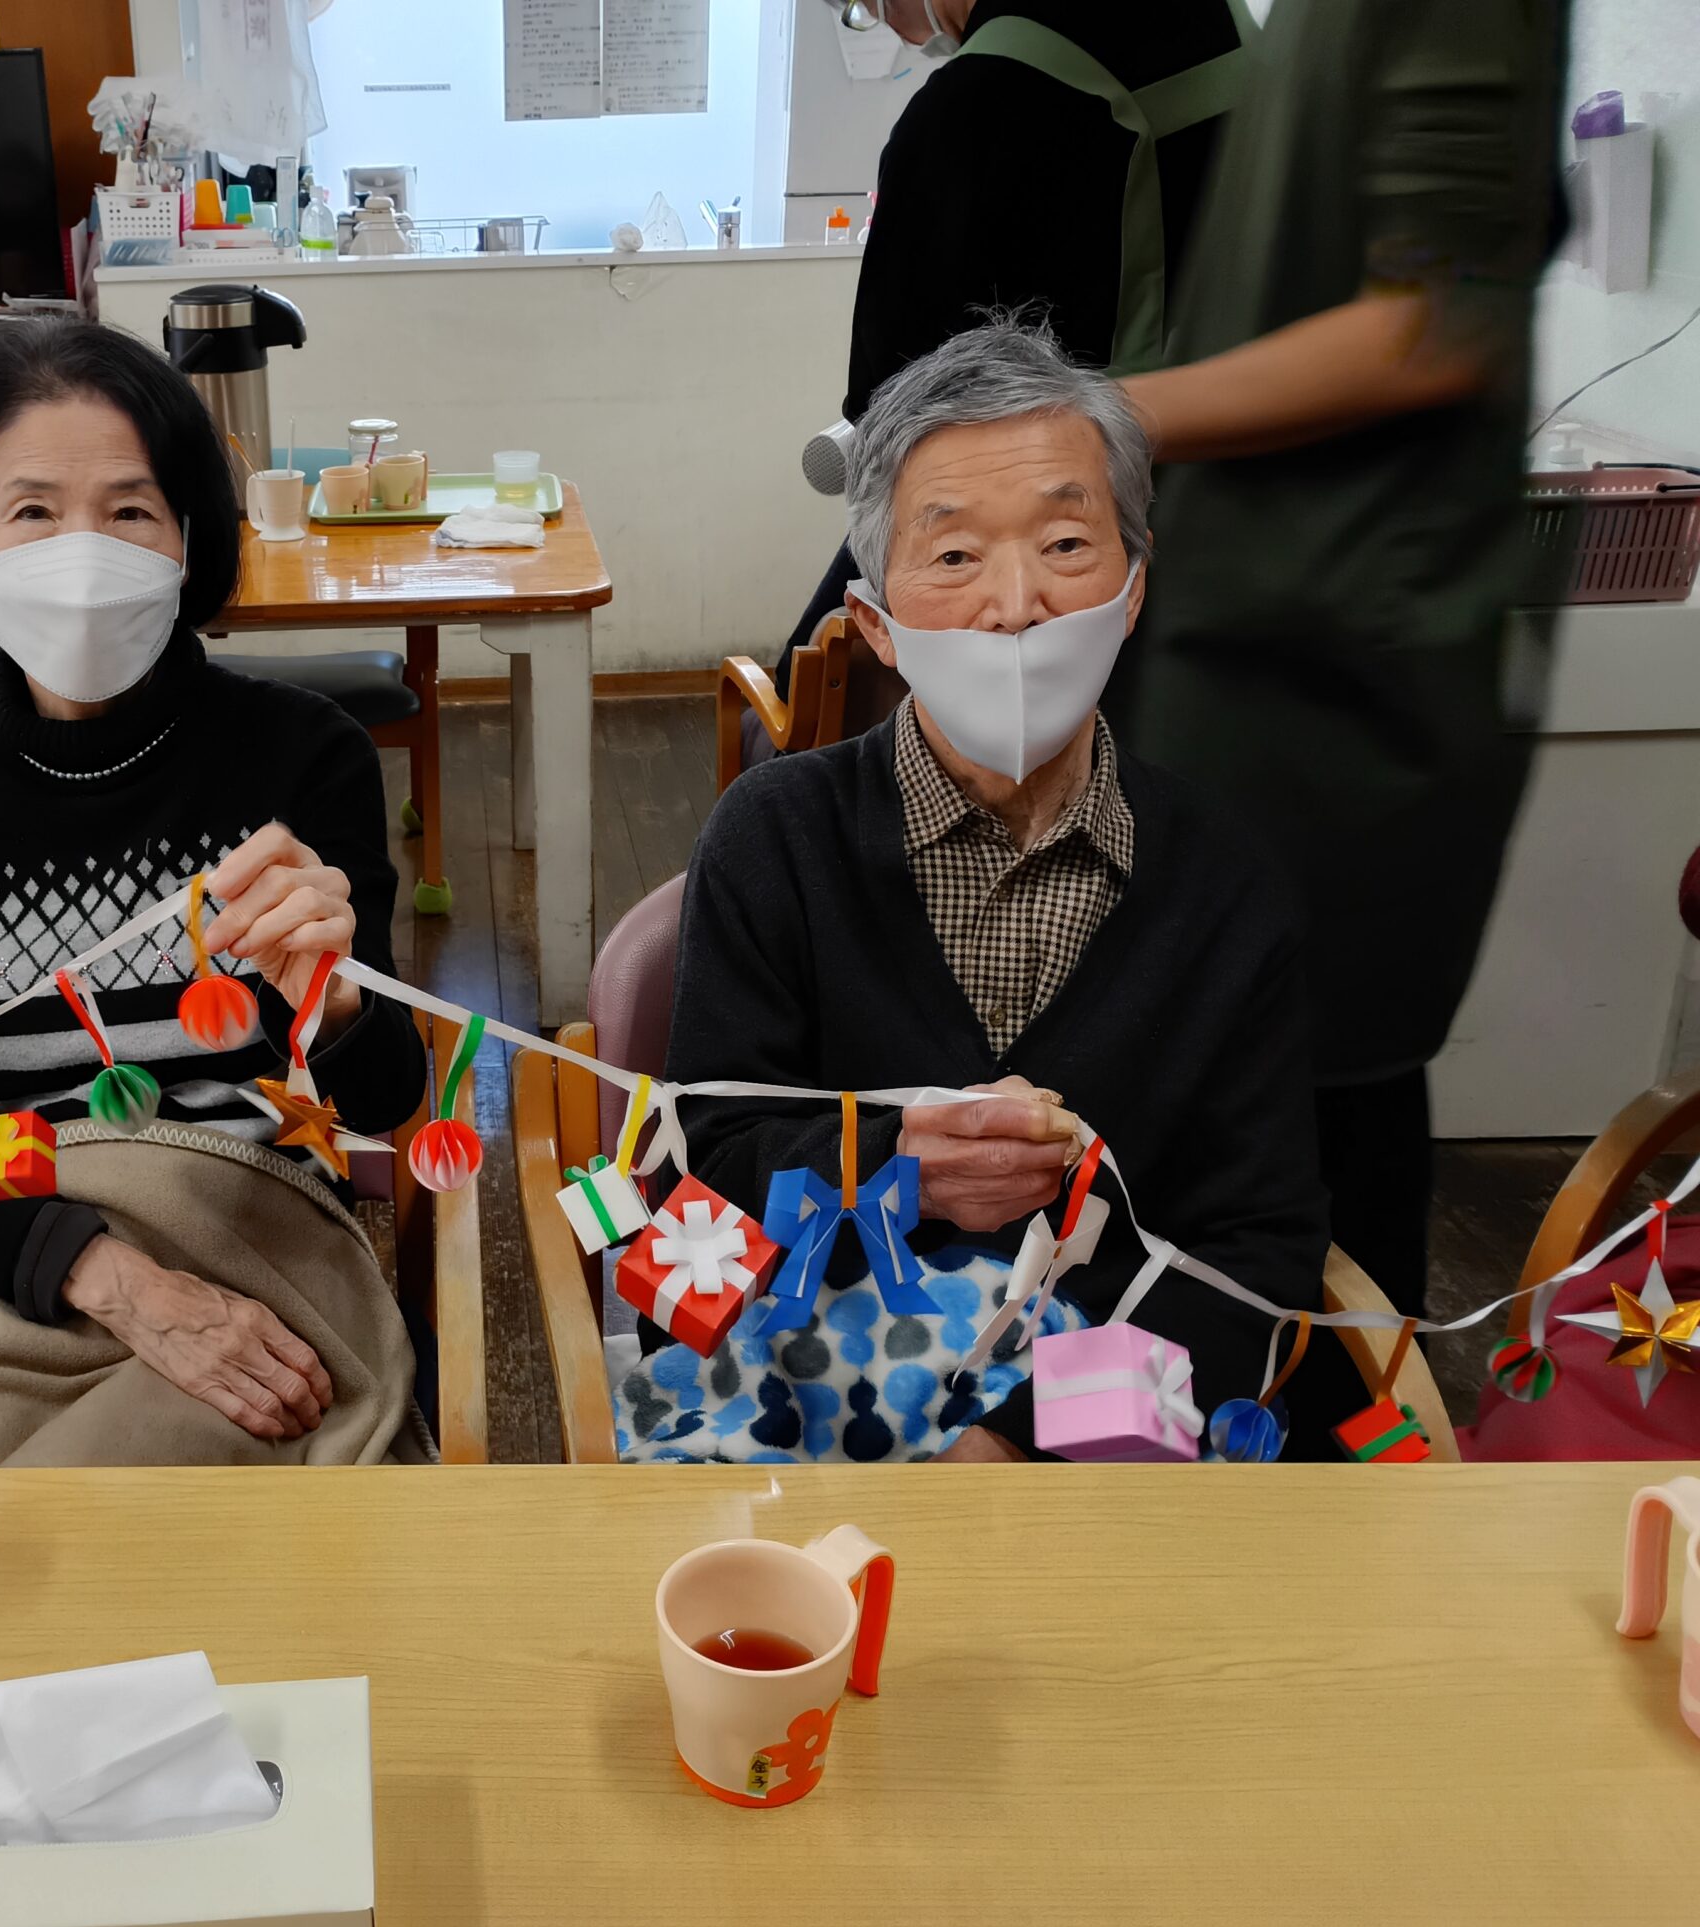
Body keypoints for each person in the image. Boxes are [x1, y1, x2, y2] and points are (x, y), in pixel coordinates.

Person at [647, 319, 1333, 1463]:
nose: (1015, 604)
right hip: (806, 1408)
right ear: (876, 623)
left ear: (1133, 590)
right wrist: (893, 1170)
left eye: (1066, 542)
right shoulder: (777, 836)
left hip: (1117, 1434)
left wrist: (1022, 1441)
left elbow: (1255, 1247)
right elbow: (700, 1173)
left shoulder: (1225, 878)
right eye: (955, 555)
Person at [0, 318, 424, 1444]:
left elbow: (384, 1099)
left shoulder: (305, 757)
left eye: (130, 511)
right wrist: (106, 1277)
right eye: (33, 512)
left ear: (187, 540)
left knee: (138, 1489)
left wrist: (337, 1002)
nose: (82, 550)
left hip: (251, 1240)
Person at [1117, 0, 1570, 1315]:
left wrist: (1095, 412)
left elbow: (1434, 322)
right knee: (1221, 1130)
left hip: (1329, 695)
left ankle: (1349, 1440)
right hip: (1253, 658)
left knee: (1305, 1171)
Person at [777, 0, 1255, 676]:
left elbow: (890, 416)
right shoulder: (1223, 25)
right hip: (1258, 510)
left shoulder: (969, 107)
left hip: (1096, 515)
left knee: (803, 687)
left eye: (860, 6)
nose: (884, 25)